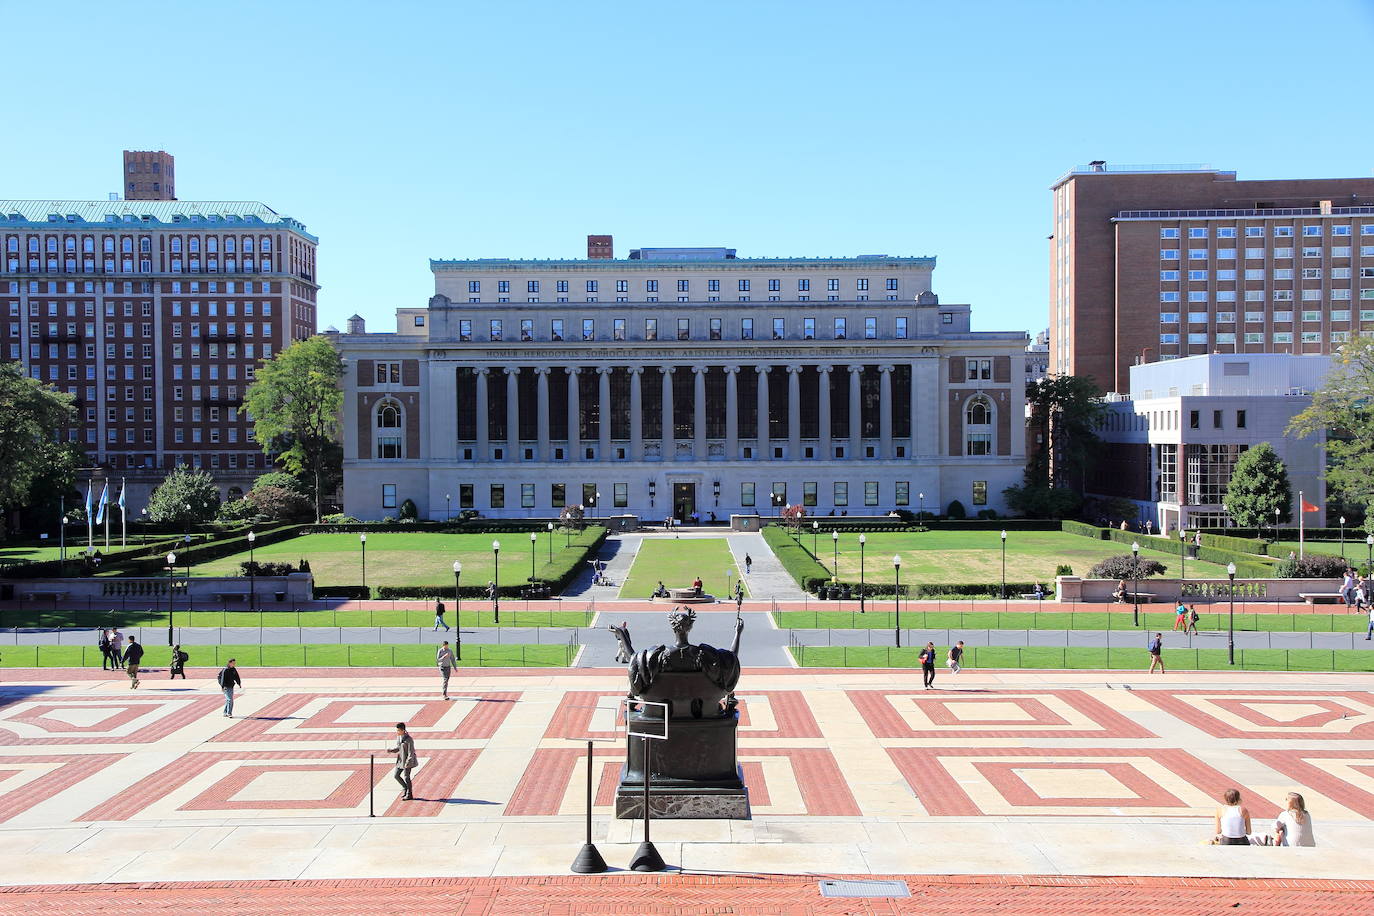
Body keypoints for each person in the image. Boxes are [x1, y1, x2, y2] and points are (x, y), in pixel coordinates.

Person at [387, 722, 418, 801]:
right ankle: (405, 788)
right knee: (396, 775)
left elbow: (411, 752)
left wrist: (408, 762)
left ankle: (409, 794)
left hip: (407, 761)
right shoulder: (399, 737)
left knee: (407, 777)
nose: (397, 732)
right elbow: (399, 748)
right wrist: (392, 750)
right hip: (400, 760)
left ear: (403, 730)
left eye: (398, 730)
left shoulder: (409, 739)